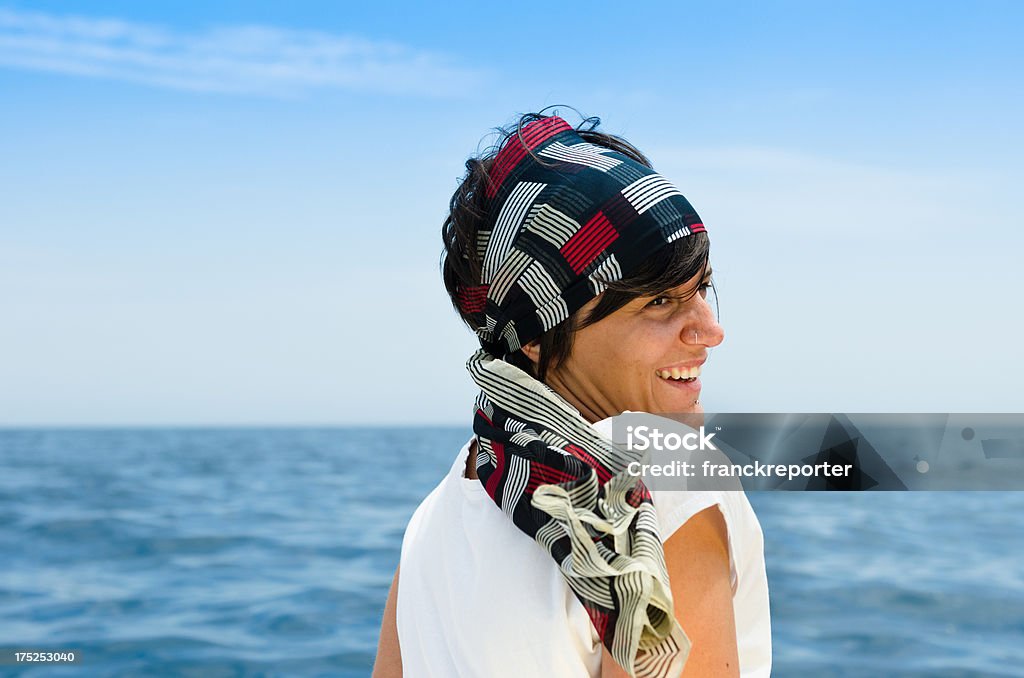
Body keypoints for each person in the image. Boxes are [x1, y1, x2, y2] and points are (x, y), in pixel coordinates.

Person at [373, 112, 771, 677]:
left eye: (700, 287)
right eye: (658, 301)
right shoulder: (658, 478)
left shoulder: (438, 519)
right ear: (537, 336)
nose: (709, 329)